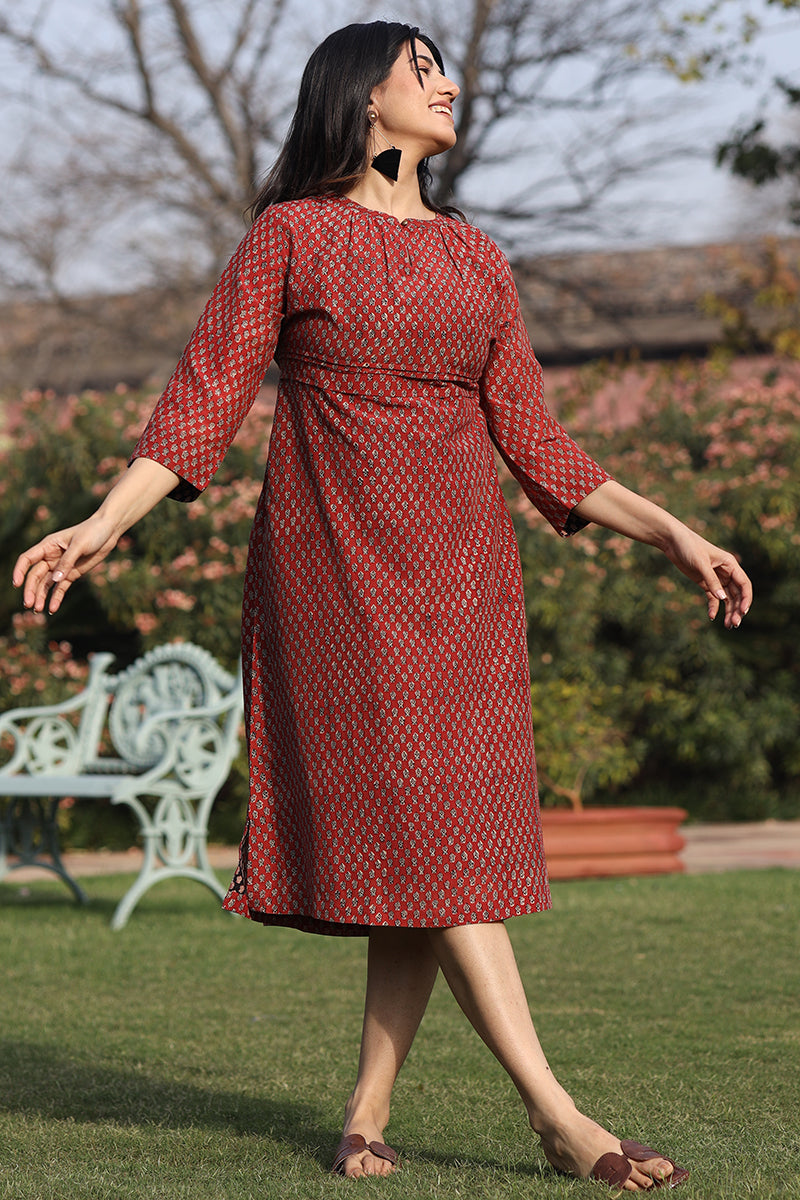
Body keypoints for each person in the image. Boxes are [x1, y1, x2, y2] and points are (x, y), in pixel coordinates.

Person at [14, 21, 750, 1191]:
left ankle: (363, 1112)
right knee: (437, 842)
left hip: (463, 580)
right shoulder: (290, 238)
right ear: (363, 102)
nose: (446, 83)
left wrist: (673, 529)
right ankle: (558, 1116)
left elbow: (535, 440)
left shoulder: (476, 258)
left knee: (429, 849)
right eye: (422, 70)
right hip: (336, 579)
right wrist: (104, 523)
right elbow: (202, 401)